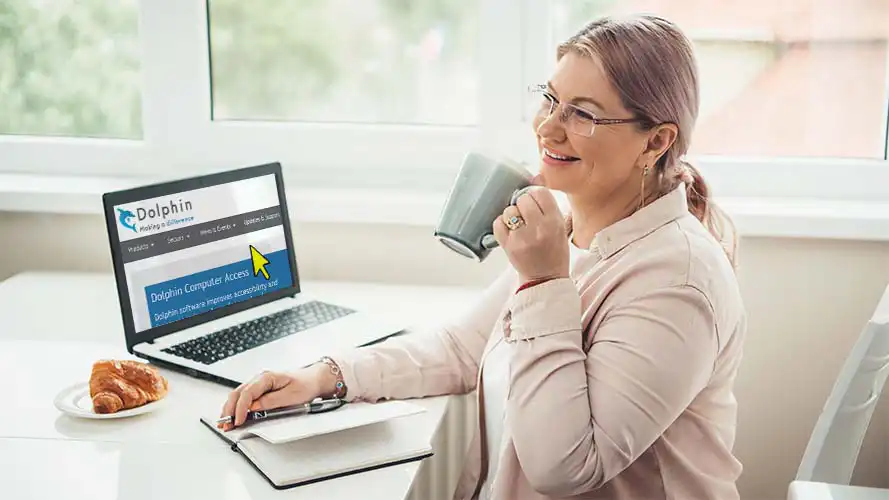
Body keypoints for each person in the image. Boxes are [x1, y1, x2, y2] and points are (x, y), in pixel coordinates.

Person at [220, 13, 746, 500]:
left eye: (583, 114)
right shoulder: (579, 234)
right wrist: (324, 377)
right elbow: (463, 349)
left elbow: (564, 467)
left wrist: (543, 282)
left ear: (655, 142)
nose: (548, 127)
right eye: (550, 98)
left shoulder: (678, 280)